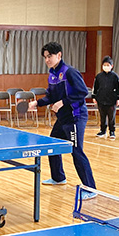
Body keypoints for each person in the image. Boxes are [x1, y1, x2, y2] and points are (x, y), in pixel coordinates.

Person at [28, 42, 96, 199]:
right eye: (45, 57)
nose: (47, 60)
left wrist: (63, 102)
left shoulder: (70, 72)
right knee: (52, 144)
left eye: (49, 56)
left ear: (59, 55)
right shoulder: (52, 74)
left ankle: (91, 188)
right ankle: (58, 177)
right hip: (63, 118)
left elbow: (83, 92)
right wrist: (37, 103)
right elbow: (51, 96)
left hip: (75, 116)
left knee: (76, 151)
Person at [92, 56, 119, 140]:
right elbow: (95, 87)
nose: (106, 66)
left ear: (111, 66)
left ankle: (112, 131)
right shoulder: (99, 76)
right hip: (101, 99)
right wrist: (94, 97)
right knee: (102, 116)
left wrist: (118, 98)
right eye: (104, 65)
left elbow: (118, 88)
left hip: (111, 100)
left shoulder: (115, 76)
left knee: (111, 117)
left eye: (108, 65)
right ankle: (102, 130)